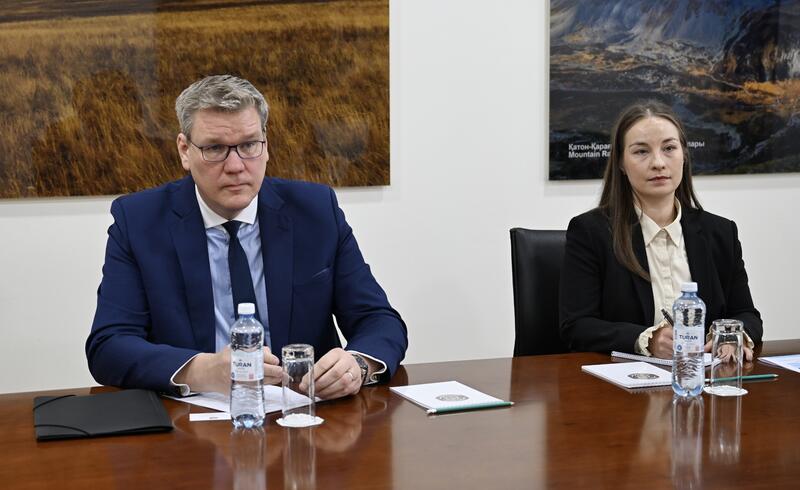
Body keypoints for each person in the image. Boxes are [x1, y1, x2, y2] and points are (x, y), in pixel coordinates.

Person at [86, 75, 407, 398]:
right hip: (190, 417)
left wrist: (358, 365)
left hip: (303, 413)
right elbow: (109, 346)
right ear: (185, 150)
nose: (236, 166)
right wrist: (201, 370)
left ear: (266, 145)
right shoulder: (139, 221)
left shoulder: (315, 211)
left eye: (249, 145)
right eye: (215, 148)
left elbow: (379, 320)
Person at [559, 100, 762, 359]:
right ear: (620, 162)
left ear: (684, 155)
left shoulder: (721, 232)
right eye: (641, 151)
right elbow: (577, 326)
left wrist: (730, 337)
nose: (658, 163)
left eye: (669, 148)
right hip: (622, 380)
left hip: (702, 376)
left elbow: (746, 314)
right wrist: (646, 340)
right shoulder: (591, 232)